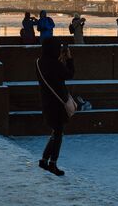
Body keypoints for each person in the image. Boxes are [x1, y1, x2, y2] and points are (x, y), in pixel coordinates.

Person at [36, 37, 74, 176]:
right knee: (58, 134)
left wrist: (59, 60)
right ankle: (52, 163)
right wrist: (69, 59)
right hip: (58, 104)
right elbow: (69, 74)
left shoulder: (39, 62)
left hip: (46, 102)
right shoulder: (54, 64)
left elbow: (52, 74)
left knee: (55, 132)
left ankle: (44, 160)